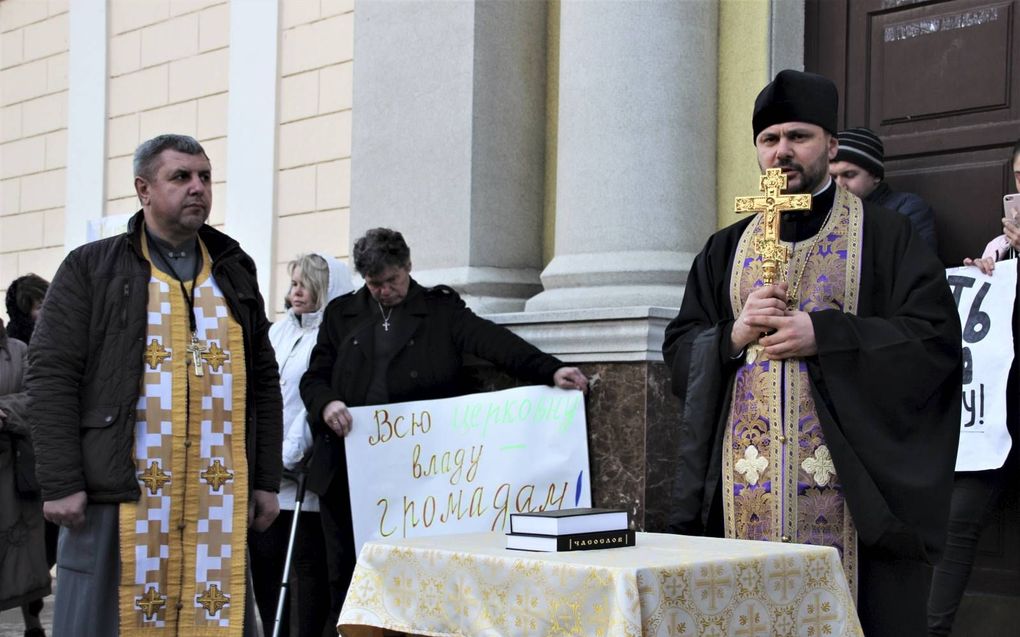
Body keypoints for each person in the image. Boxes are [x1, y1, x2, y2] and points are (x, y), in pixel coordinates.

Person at [662, 70, 961, 637]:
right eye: (769, 139)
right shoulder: (724, 248)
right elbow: (679, 348)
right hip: (743, 488)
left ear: (832, 144)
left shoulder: (887, 235)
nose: (782, 152)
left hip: (853, 491)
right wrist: (732, 332)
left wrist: (827, 336)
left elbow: (934, 340)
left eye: (798, 136)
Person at [25, 134, 283, 636]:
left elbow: (263, 381)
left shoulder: (233, 268)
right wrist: (61, 482)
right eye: (181, 177)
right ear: (144, 189)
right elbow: (51, 374)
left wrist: (266, 479)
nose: (198, 188)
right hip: (122, 493)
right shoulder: (90, 267)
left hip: (216, 495)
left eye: (205, 177)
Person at [299, 227, 590, 628]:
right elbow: (314, 378)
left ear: (408, 266)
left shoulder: (439, 311)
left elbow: (493, 341)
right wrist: (327, 403)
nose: (384, 291)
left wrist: (550, 369)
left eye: (391, 281)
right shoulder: (341, 315)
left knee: (418, 578)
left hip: (420, 477)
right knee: (347, 577)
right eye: (374, 284)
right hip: (348, 472)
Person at [928, 139, 1020, 636]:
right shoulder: (999, 249)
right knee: (956, 522)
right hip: (996, 417)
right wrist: (982, 275)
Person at [249, 253, 352, 637]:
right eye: (293, 283)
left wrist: (288, 453)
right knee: (265, 560)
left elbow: (314, 399)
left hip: (302, 477)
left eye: (305, 284)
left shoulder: (328, 338)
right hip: (267, 475)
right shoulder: (278, 332)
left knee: (306, 568)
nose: (297, 291)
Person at [0, 318, 51, 637]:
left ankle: (33, 624)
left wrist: (3, 411)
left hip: (13, 474)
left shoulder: (19, 352)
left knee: (25, 560)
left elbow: (39, 398)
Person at [829, 126, 938, 251]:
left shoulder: (906, 208)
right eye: (832, 177)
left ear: (875, 176)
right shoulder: (819, 208)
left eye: (849, 175)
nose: (839, 184)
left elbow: (920, 263)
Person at [5, 273, 49, 344]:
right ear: (24, 314)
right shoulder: (14, 349)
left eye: (49, 304)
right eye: (40, 307)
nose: (47, 310)